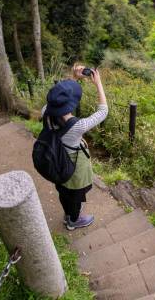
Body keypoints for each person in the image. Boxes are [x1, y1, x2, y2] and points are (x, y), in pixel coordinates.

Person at [42, 64, 108, 230]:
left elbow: (58, 96)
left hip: (57, 162)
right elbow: (103, 112)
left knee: (64, 193)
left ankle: (69, 213)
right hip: (72, 168)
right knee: (76, 195)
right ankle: (73, 220)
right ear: (72, 103)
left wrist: (73, 78)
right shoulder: (76, 126)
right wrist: (98, 83)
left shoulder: (46, 113)